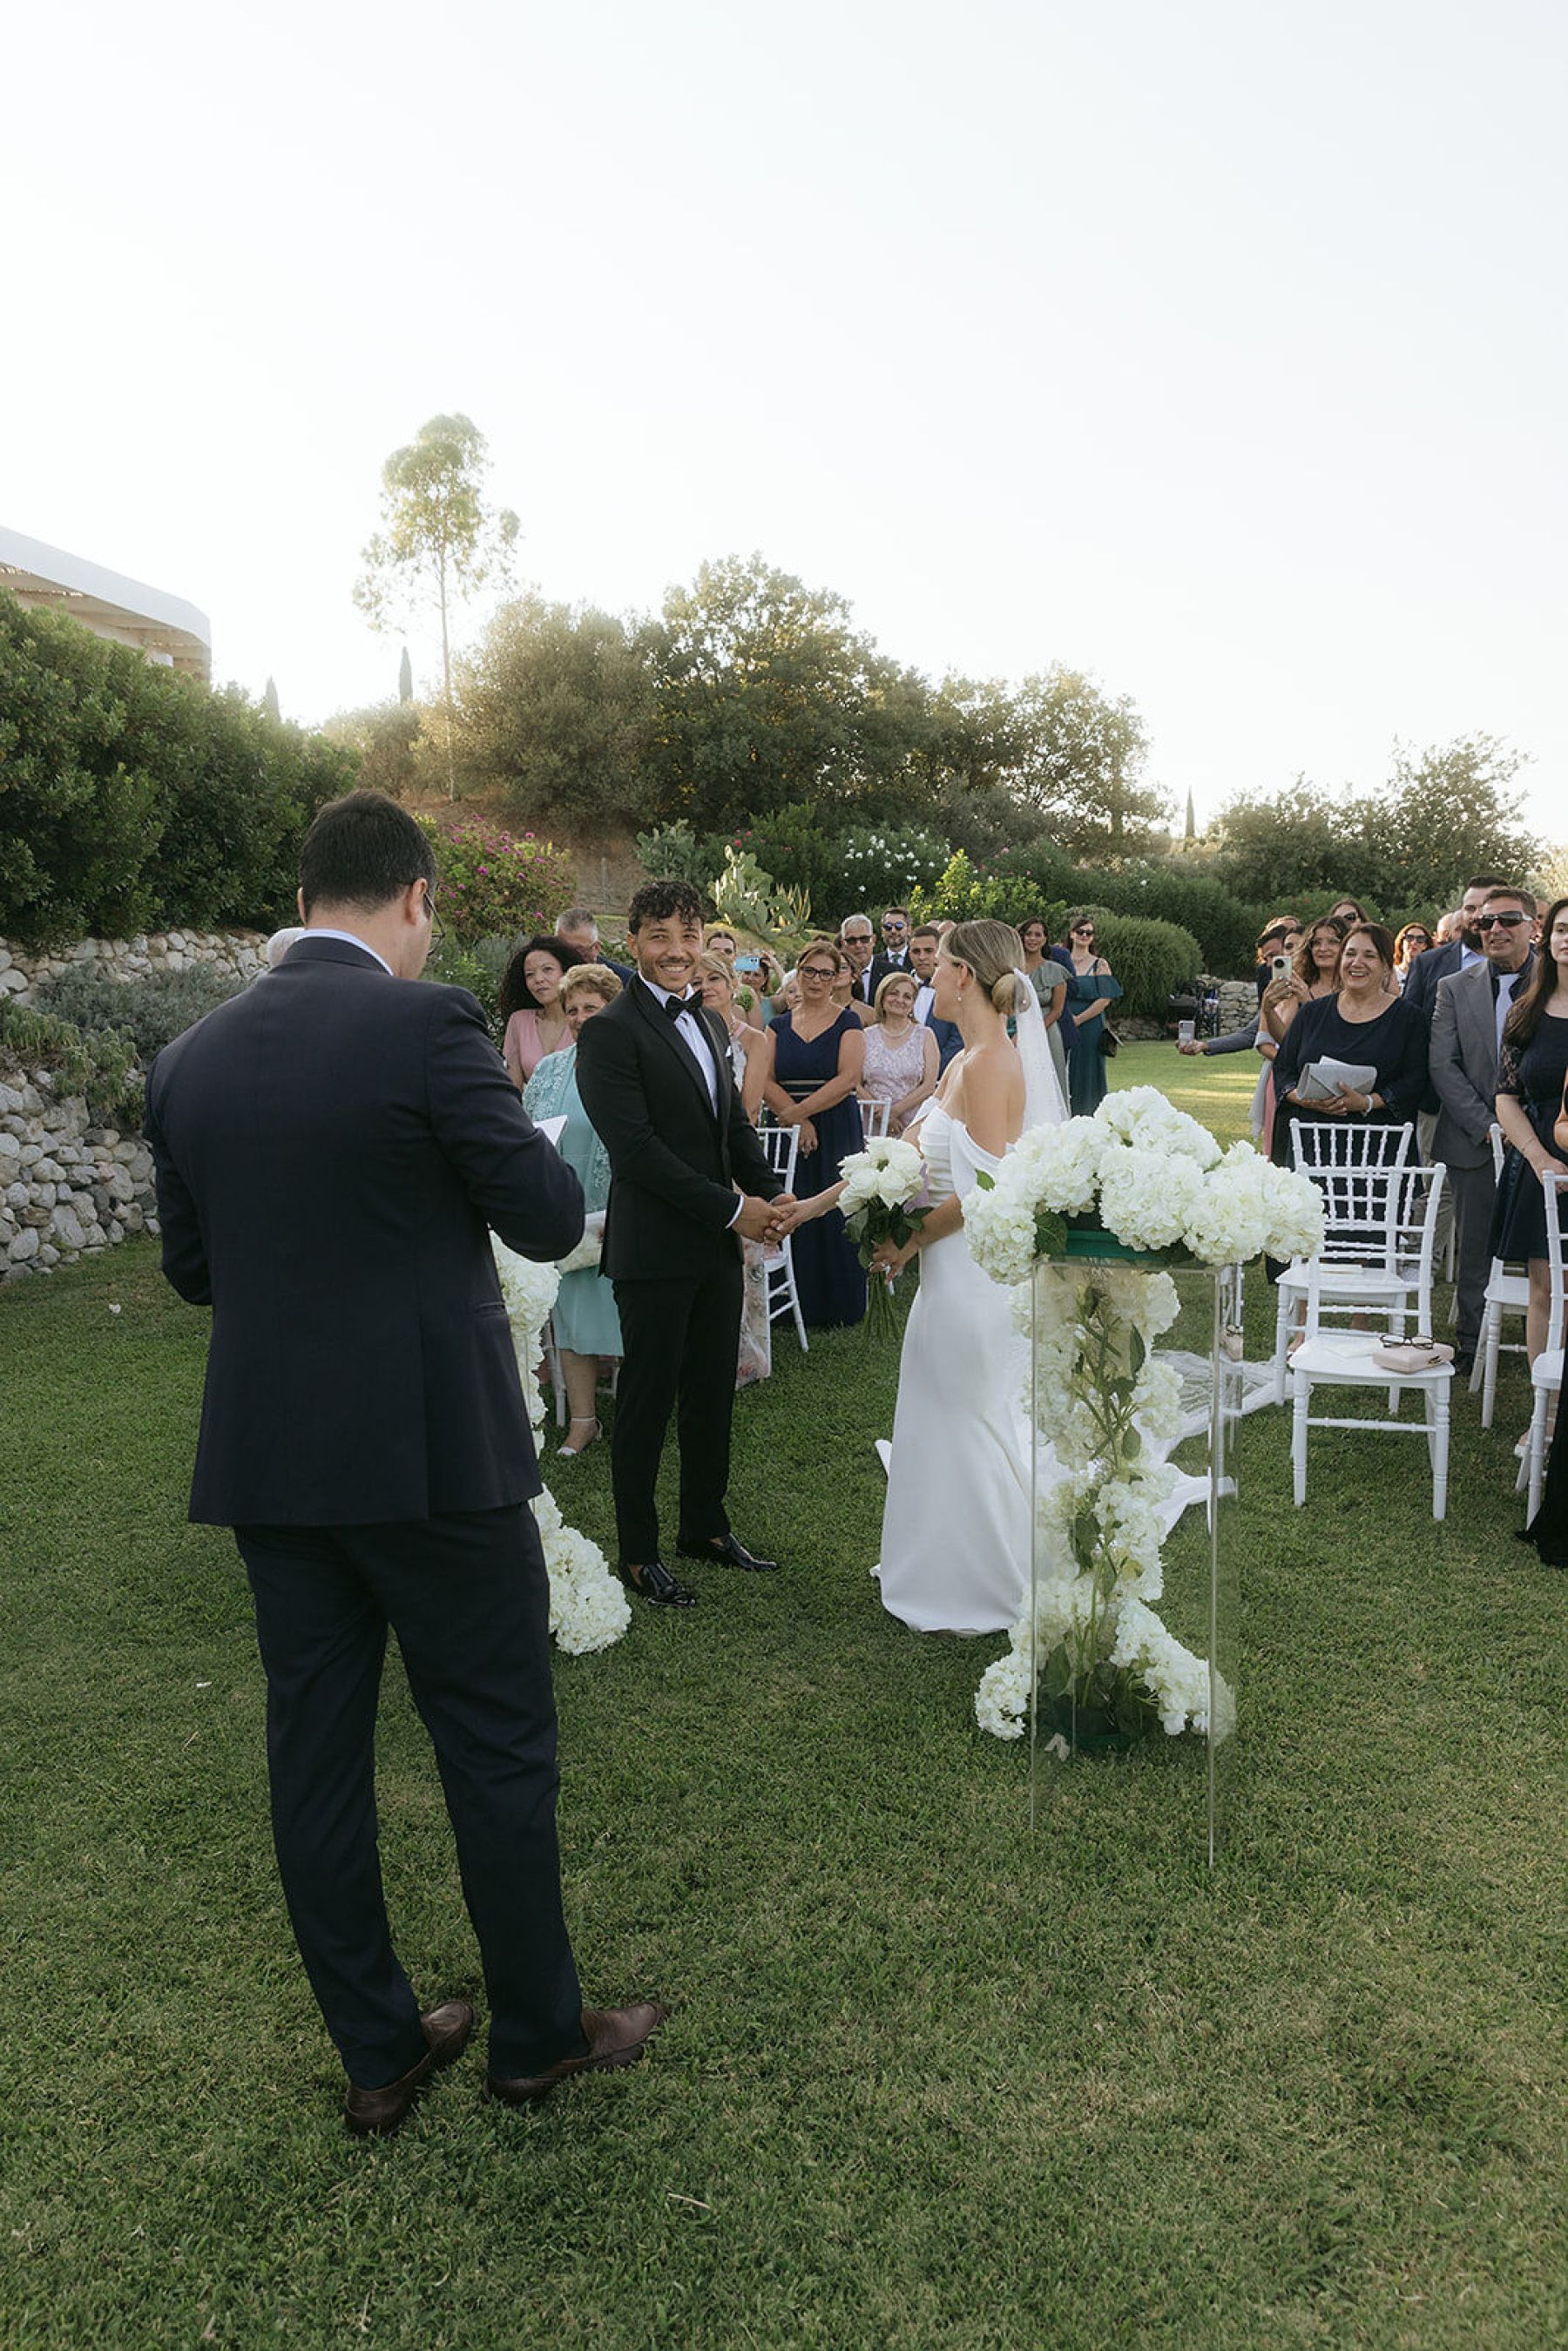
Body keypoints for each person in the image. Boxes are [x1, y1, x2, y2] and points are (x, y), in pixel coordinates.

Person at [142, 789, 663, 2132]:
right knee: (492, 1739)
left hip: (274, 1467)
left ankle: (378, 2048)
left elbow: (196, 1271)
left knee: (313, 1755)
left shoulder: (188, 1057)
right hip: (436, 1457)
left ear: (309, 894)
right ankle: (537, 2034)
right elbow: (548, 1214)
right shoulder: (426, 1021)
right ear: (418, 896)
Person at [787, 921, 1068, 1632]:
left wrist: (906, 1242)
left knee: (969, 1418)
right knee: (936, 1414)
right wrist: (812, 1206)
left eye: (938, 964)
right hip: (943, 1278)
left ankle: (991, 1581)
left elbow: (989, 1192)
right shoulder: (960, 1060)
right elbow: (896, 1152)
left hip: (971, 1281)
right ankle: (936, 1562)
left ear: (964, 976)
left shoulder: (992, 1064)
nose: (929, 976)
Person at [575, 879, 790, 1610]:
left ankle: (705, 1525)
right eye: (661, 936)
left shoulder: (707, 1022)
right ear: (631, 940)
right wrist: (737, 1210)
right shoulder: (608, 1030)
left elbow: (728, 1124)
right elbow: (635, 1152)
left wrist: (770, 1187)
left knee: (710, 1394)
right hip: (655, 1249)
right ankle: (637, 1553)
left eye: (689, 935)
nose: (677, 950)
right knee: (646, 1401)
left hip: (713, 1247)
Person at [1429, 888, 1537, 1376]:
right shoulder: (1454, 986)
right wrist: (1491, 1126)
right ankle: (1471, 1344)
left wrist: (1531, 1133)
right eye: (1485, 923)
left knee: (1549, 1248)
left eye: (1508, 920)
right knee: (1474, 1251)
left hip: (1548, 1140)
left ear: (1532, 926)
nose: (1495, 930)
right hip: (1475, 1140)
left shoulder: (1559, 984)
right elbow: (1443, 1065)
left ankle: (1549, 1339)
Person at [523, 964, 625, 1459]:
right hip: (567, 1210)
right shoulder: (549, 1069)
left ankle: (634, 1415)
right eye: (574, 1009)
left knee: (631, 1317)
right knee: (573, 1318)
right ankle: (584, 1421)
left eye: (593, 1008)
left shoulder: (635, 1062)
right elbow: (526, 1129)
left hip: (625, 1212)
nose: (582, 1017)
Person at [760, 936, 868, 1326]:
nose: (818, 980)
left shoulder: (848, 1021)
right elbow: (765, 1078)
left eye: (827, 973)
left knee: (835, 1208)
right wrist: (795, 1118)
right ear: (799, 972)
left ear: (838, 977)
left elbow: (848, 1079)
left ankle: (838, 1303)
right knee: (791, 1203)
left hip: (836, 1124)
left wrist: (802, 1113)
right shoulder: (778, 1025)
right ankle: (791, 1302)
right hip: (789, 1126)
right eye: (810, 971)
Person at [1270, 922, 1429, 1166]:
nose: (1357, 963)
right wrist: (1304, 1099)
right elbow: (1284, 1069)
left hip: (1379, 1150)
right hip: (1313, 1146)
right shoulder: (1312, 1012)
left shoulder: (1409, 1018)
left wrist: (1367, 1102)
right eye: (1350, 954)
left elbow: (1416, 1079)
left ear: (1386, 966)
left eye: (1369, 956)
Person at [1490, 897, 1568, 1380]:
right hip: (1542, 1169)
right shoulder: (1526, 1013)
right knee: (1545, 1289)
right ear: (1549, 937)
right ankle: (1545, 1412)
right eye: (1562, 929)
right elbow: (1506, 1098)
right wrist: (1541, 1159)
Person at [861, 969, 938, 1135]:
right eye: (893, 994)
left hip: (910, 1121)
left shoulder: (925, 1035)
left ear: (912, 1003)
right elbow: (854, 1083)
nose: (900, 1000)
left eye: (907, 996)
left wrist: (893, 1112)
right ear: (882, 998)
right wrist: (880, 1113)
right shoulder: (865, 1036)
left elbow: (929, 1085)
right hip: (870, 1120)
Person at [1060, 912, 1123, 1116]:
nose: (1085, 936)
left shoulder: (1100, 964)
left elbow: (1105, 999)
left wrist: (1079, 1019)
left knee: (1088, 1070)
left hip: (1090, 1026)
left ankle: (1090, 1115)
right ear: (1071, 934)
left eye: (1089, 933)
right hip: (1060, 1021)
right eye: (1081, 932)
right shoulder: (1060, 961)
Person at [694, 950, 768, 1121]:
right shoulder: (682, 1033)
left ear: (733, 984)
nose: (705, 986)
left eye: (714, 978)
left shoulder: (755, 1040)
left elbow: (751, 1110)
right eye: (697, 982)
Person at [1260, 916, 1344, 1046]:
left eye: (1333, 942)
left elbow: (1341, 1039)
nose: (1323, 948)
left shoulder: (1353, 988)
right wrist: (1268, 1010)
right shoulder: (1299, 986)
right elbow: (1286, 1040)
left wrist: (1308, 1003)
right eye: (1316, 942)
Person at [500, 936, 571, 1086]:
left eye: (547, 970)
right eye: (530, 974)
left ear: (565, 972)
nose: (538, 979)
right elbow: (512, 1086)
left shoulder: (583, 1019)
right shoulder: (519, 1021)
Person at [909, 923, 963, 1071]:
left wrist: (931, 1072)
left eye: (928, 951)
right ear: (909, 954)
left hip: (940, 1076)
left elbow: (958, 1040)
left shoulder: (955, 989)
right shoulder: (897, 988)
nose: (922, 957)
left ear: (939, 953)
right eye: (916, 951)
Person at [556, 908, 632, 984]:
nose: (570, 957)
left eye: (579, 951)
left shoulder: (627, 981)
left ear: (596, 947)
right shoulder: (548, 980)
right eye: (563, 949)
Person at [867, 905, 914, 994]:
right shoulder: (873, 962)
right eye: (888, 926)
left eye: (899, 926)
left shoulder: (917, 960)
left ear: (909, 930)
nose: (893, 931)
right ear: (882, 931)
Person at [839, 914, 877, 1006]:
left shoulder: (892, 972)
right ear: (843, 943)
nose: (858, 945)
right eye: (852, 940)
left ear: (874, 940)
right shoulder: (834, 974)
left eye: (864, 939)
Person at [1394, 922, 1436, 987]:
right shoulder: (1390, 974)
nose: (1414, 942)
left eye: (1420, 939)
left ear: (1425, 946)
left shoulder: (1430, 976)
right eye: (1409, 937)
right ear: (1402, 944)